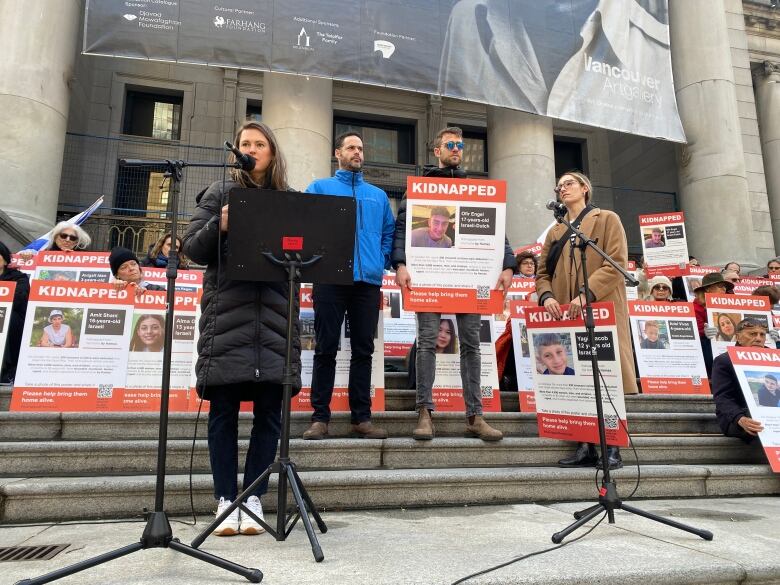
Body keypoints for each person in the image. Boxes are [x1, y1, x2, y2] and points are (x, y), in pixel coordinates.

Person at [182, 120, 301, 537]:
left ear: (272, 152)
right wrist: (222, 224)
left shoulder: (287, 200)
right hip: (228, 317)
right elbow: (191, 249)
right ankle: (224, 499)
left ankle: (252, 497)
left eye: (259, 143)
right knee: (223, 412)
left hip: (274, 319)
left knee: (270, 413)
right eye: (245, 142)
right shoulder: (219, 194)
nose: (251, 148)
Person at [392, 126, 515, 442]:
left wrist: (508, 265)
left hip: (469, 281)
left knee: (472, 345)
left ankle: (475, 416)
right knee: (428, 340)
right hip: (427, 279)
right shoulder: (419, 188)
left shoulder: (476, 188)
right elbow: (401, 230)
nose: (457, 148)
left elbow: (497, 234)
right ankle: (424, 413)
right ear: (437, 150)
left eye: (461, 144)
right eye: (451, 144)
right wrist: (400, 263)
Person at [536, 170, 636, 471]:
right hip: (566, 314)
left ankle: (613, 446)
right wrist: (548, 297)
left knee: (607, 376)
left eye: (569, 183)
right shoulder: (555, 231)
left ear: (585, 188)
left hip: (600, 309)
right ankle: (584, 445)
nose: (562, 188)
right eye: (559, 186)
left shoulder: (607, 219)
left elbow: (615, 262)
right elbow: (542, 273)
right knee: (577, 379)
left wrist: (586, 294)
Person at [302, 131, 395, 441]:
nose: (358, 152)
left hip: (366, 282)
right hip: (329, 279)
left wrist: (378, 261)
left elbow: (388, 234)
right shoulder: (319, 188)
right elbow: (306, 228)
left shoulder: (379, 196)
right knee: (325, 349)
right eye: (352, 148)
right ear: (337, 153)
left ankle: (361, 418)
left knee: (363, 351)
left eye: (361, 148)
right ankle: (320, 418)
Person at [711, 318, 768, 442]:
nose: (758, 338)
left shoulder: (775, 359)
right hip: (737, 417)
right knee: (755, 420)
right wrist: (739, 418)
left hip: (770, 412)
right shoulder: (724, 361)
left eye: (762, 334)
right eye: (752, 334)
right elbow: (722, 397)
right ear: (738, 337)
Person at [0, 241, 30, 383]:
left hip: (11, 321)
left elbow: (18, 298)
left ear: (5, 259)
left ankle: (8, 370)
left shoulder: (19, 277)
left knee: (9, 318)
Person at [693, 272, 733, 377]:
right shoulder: (696, 307)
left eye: (725, 287)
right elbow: (697, 330)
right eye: (720, 286)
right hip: (709, 347)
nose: (724, 289)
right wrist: (704, 332)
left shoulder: (731, 304)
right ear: (707, 289)